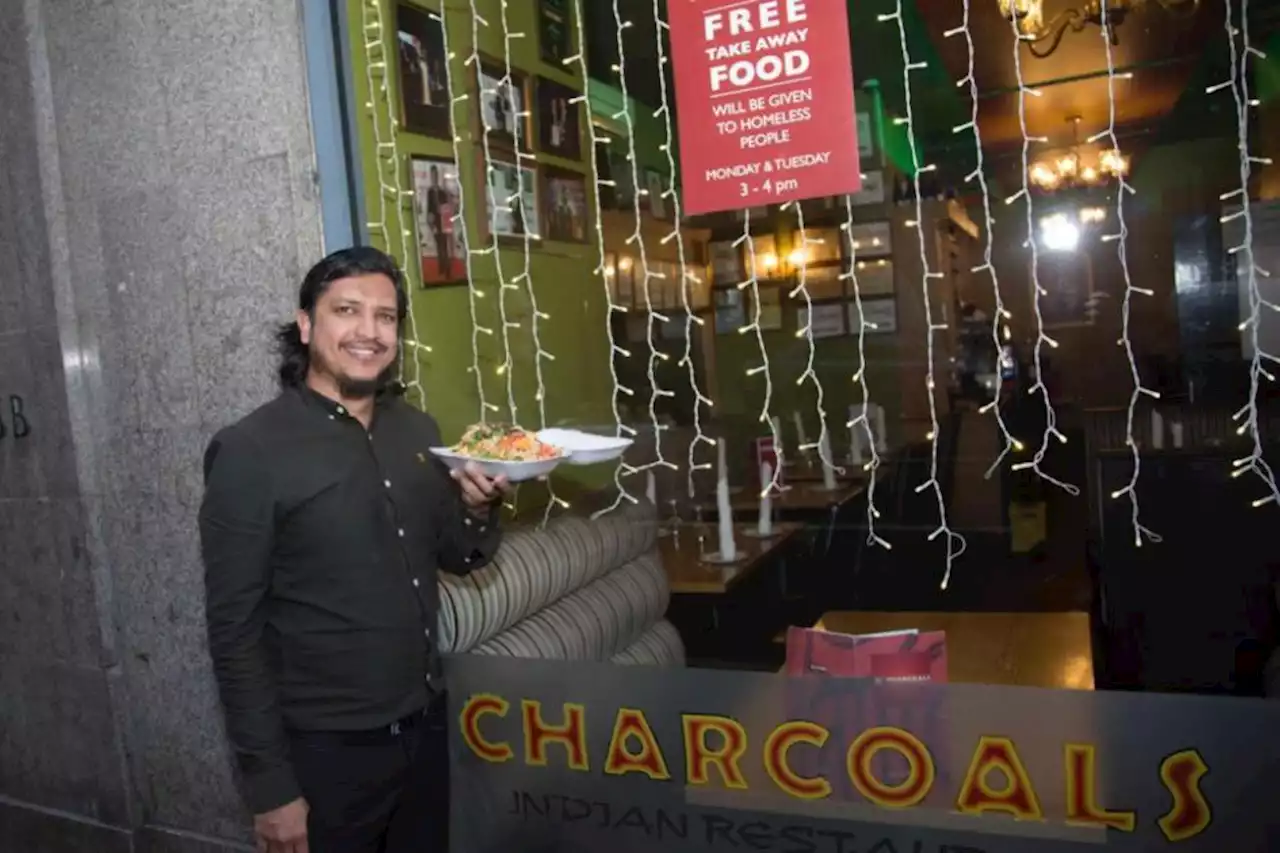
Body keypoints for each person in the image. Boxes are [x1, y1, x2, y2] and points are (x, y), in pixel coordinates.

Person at [200, 247, 509, 853]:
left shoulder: (419, 432)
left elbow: (456, 554)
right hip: (326, 758)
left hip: (426, 729)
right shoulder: (250, 451)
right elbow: (234, 631)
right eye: (347, 310)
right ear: (307, 325)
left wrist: (477, 507)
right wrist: (270, 789)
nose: (369, 332)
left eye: (387, 317)